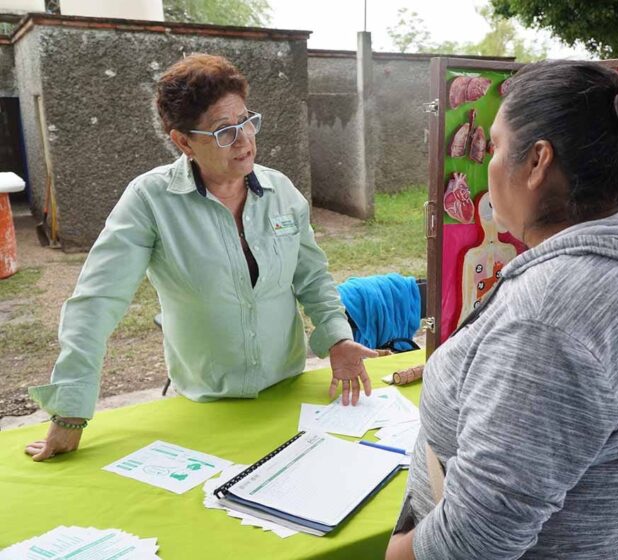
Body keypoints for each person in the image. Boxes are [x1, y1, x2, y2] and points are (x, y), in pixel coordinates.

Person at [386, 61, 618, 559]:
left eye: (494, 147)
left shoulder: (553, 318)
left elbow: (473, 542)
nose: (488, 165)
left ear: (536, 162)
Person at [25, 54, 377, 462]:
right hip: (204, 404)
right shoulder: (150, 200)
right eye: (223, 131)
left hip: (288, 395)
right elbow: (95, 302)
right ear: (183, 142)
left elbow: (313, 278)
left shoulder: (281, 192)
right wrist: (70, 409)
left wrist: (338, 338)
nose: (244, 140)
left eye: (246, 120)